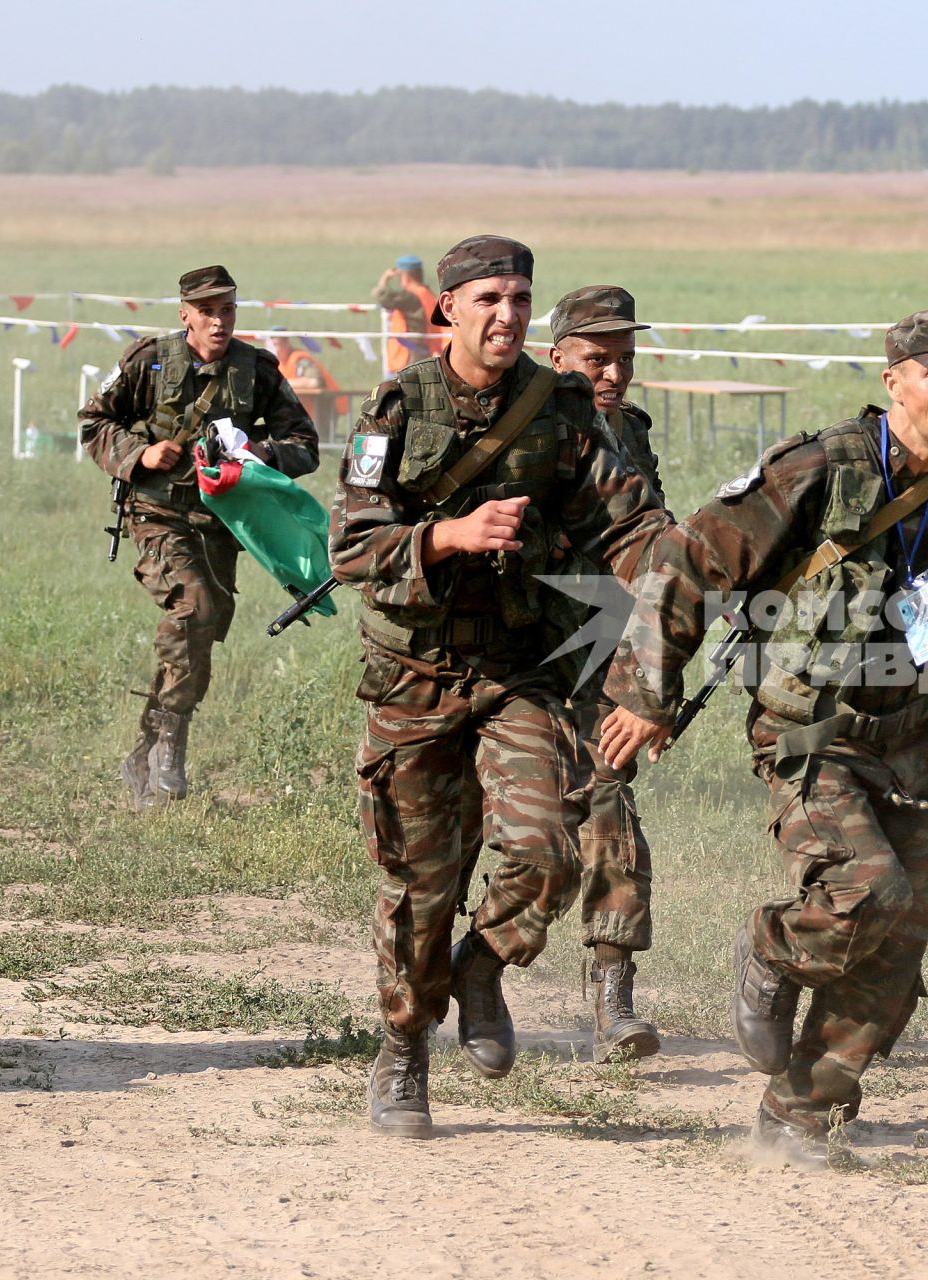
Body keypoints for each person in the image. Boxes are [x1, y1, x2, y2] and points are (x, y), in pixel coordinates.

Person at [599, 309, 928, 1167]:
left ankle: (800, 1112)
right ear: (896, 382)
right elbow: (687, 561)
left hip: (914, 743)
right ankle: (770, 945)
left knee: (908, 926)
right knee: (869, 891)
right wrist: (647, 695)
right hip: (811, 734)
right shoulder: (820, 470)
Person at [329, 235, 672, 1138]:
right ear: (447, 309)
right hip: (413, 678)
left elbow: (629, 520)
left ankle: (481, 967)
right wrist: (448, 536)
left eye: (521, 297)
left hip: (517, 672)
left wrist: (676, 571)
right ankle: (403, 1049)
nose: (508, 314)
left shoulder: (559, 408)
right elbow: (353, 547)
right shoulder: (397, 407)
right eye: (488, 298)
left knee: (550, 849)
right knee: (418, 886)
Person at [79, 265, 318, 811]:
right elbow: (94, 422)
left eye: (228, 309)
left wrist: (260, 454)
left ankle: (144, 748)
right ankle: (171, 749)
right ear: (185, 313)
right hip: (157, 514)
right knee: (194, 608)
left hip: (220, 524)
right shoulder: (149, 361)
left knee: (200, 631)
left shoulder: (255, 370)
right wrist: (139, 455)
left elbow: (304, 442)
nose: (218, 321)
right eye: (207, 311)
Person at [543, 284, 665, 1061]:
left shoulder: (630, 432)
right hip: (517, 653)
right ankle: (464, 974)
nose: (614, 373)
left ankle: (612, 1000)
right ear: (557, 358)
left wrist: (656, 681)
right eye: (597, 359)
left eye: (624, 358)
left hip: (601, 653)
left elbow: (659, 553)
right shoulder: (530, 428)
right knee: (520, 835)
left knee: (608, 807)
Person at [372, 254, 448, 375]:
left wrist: (385, 279)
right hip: (425, 350)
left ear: (405, 276)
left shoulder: (410, 297)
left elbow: (382, 296)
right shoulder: (427, 294)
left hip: (407, 356)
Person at [266, 328, 351, 434]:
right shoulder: (277, 363)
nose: (273, 348)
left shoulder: (300, 359)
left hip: (325, 406)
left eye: (276, 344)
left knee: (320, 442)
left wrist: (281, 383)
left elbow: (314, 382)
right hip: (299, 412)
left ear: (286, 342)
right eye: (270, 345)